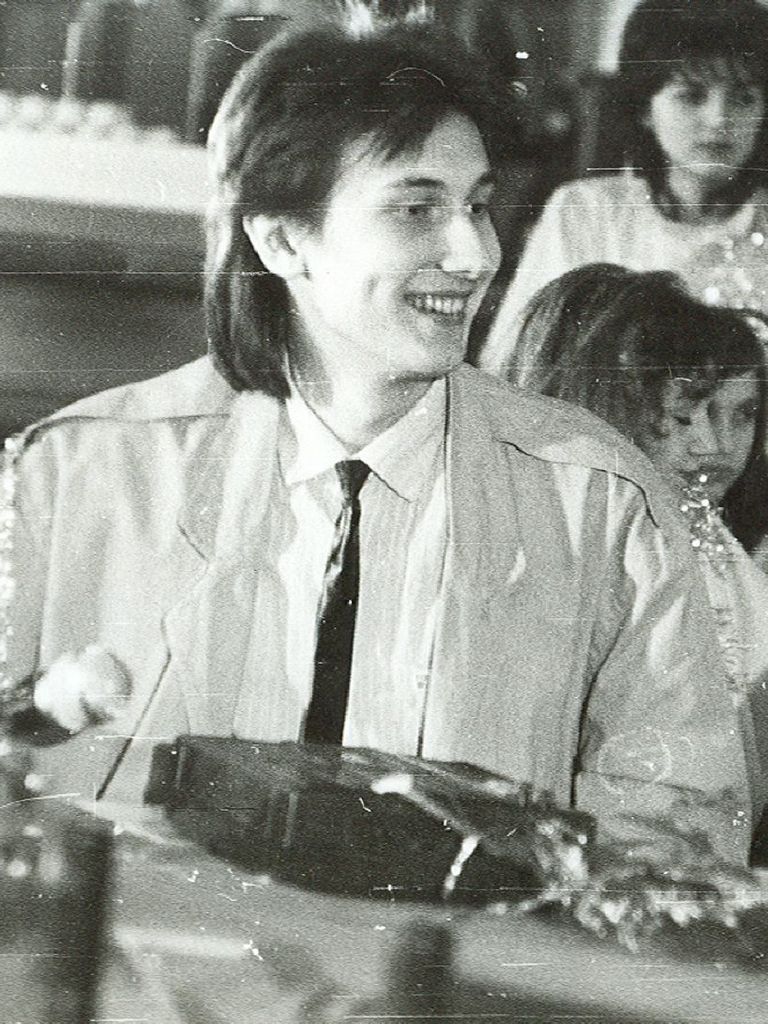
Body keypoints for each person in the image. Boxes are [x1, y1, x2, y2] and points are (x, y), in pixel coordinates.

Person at [5, 17, 751, 862]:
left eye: (478, 206)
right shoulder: (71, 479)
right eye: (417, 208)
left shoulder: (604, 505)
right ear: (282, 238)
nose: (475, 253)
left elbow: (676, 839)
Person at [507, 262, 768, 821]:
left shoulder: (715, 541)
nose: (715, 444)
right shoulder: (598, 537)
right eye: (682, 416)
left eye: (743, 414)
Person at [480, 0, 768, 375]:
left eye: (744, 98)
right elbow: (514, 361)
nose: (719, 119)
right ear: (645, 108)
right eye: (691, 95)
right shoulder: (586, 211)